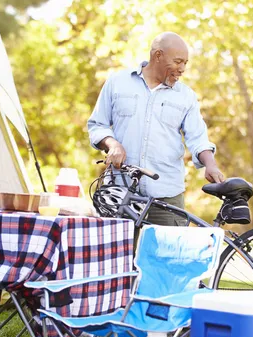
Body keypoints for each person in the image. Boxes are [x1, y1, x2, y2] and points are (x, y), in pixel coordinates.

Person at [88, 32, 224, 226]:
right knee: (119, 256)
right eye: (178, 61)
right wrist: (112, 144)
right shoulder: (118, 83)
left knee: (168, 256)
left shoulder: (186, 96)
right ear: (158, 55)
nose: (182, 69)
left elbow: (198, 138)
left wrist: (210, 164)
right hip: (120, 191)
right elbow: (97, 125)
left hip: (167, 194)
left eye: (185, 63)